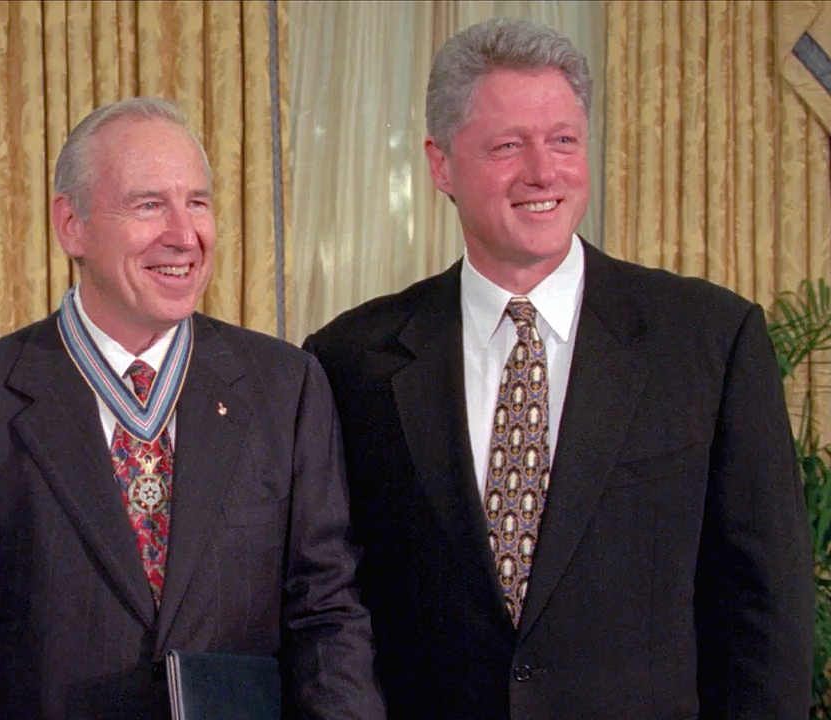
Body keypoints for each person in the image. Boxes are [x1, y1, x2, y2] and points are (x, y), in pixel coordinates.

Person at [304, 17, 813, 720]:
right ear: (441, 163)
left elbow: (767, 610)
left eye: (564, 141)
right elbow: (332, 606)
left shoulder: (710, 341)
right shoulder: (349, 361)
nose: (543, 172)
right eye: (508, 145)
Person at [0, 97, 384, 719]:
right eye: (149, 205)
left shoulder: (287, 385)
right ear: (72, 224)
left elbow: (326, 611)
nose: (184, 233)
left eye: (197, 201)